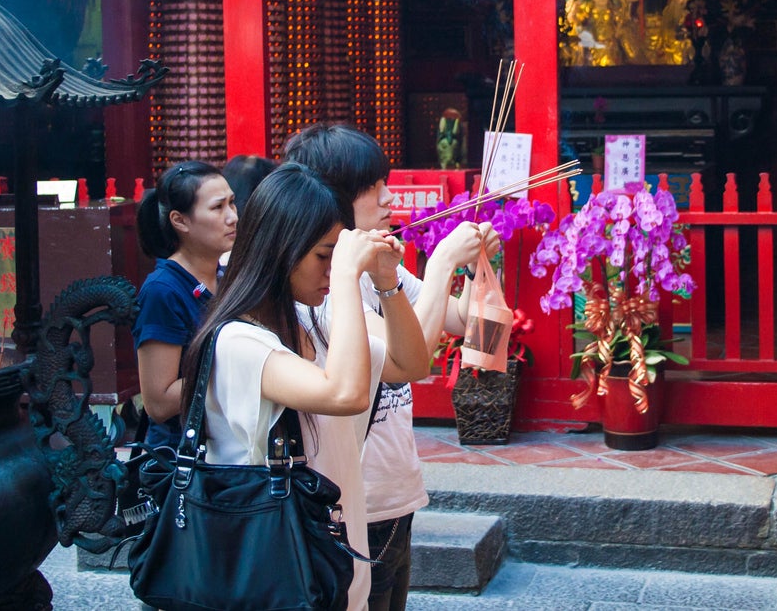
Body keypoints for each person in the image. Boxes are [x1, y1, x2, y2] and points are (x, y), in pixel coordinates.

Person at [179, 162, 425, 611]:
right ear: (281, 249)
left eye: (337, 256)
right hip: (277, 576)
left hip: (332, 564)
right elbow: (344, 395)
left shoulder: (312, 325)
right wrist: (350, 276)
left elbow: (409, 363)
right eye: (322, 256)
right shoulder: (238, 342)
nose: (331, 270)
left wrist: (387, 283)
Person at [283, 123, 501, 611]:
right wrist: (443, 261)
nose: (388, 198)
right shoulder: (322, 284)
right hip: (355, 499)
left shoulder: (383, 265)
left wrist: (481, 267)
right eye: (374, 187)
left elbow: (466, 324)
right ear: (329, 196)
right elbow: (408, 363)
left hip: (396, 489)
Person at [132, 160, 237, 450]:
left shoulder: (227, 276)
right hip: (183, 462)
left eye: (232, 204)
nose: (232, 217)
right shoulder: (163, 291)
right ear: (180, 221)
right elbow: (159, 401)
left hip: (226, 451)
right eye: (218, 208)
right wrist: (241, 370)